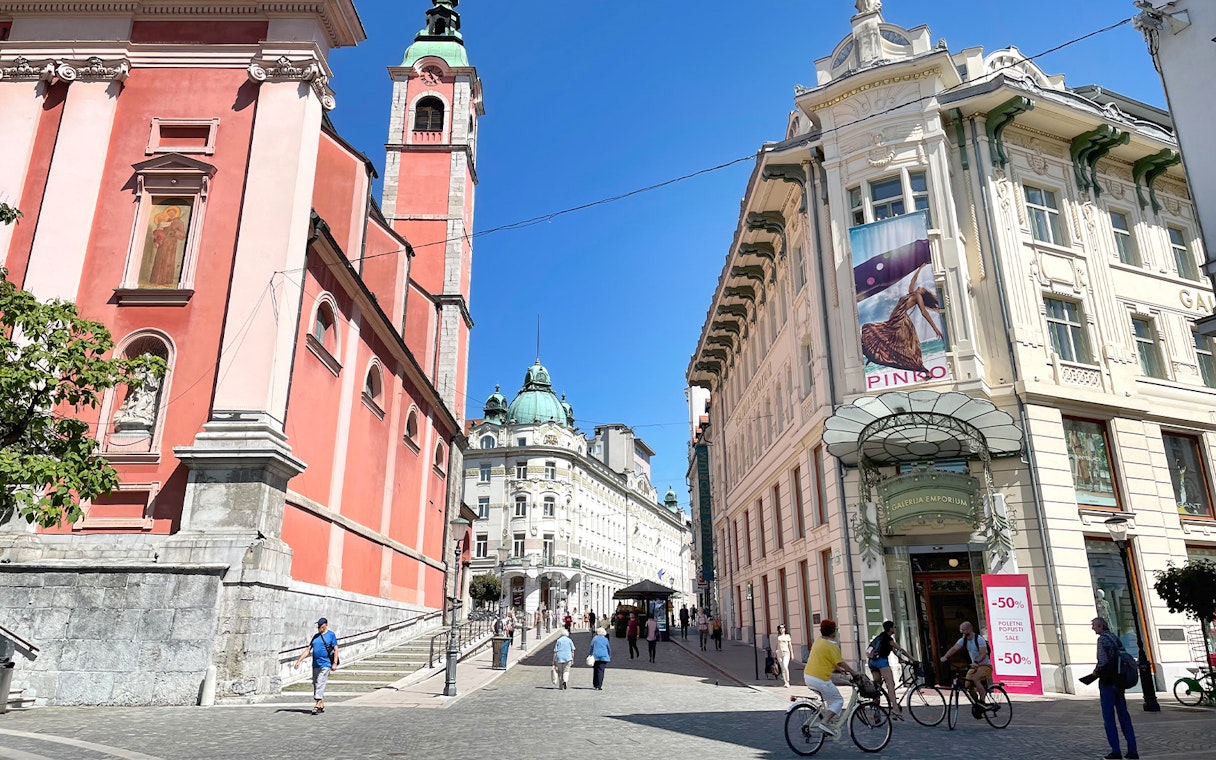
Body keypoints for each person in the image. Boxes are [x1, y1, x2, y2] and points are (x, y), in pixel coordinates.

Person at [1091, 617, 1138, 759]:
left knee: (1109, 717)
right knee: (1124, 716)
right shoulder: (1114, 637)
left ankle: (1116, 750)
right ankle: (1132, 750)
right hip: (1119, 681)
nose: (1092, 628)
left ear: (1100, 626)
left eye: (1093, 625)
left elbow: (1102, 661)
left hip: (1107, 681)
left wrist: (1094, 673)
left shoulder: (1102, 640)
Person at [803, 619, 856, 736]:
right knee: (838, 700)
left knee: (831, 700)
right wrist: (853, 672)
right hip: (819, 678)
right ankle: (825, 722)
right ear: (833, 632)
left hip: (808, 676)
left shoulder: (819, 641)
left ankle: (828, 722)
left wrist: (840, 670)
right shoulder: (832, 645)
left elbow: (829, 661)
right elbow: (840, 662)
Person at [939, 621, 991, 707]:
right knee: (967, 685)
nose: (961, 632)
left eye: (963, 630)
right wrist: (945, 656)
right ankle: (977, 703)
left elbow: (983, 653)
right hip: (974, 666)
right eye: (960, 630)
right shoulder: (963, 640)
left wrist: (976, 661)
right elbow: (954, 649)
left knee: (975, 678)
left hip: (985, 666)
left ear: (969, 629)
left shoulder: (979, 639)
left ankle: (982, 699)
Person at [293, 617, 339, 715]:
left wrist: (334, 663)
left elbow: (336, 649)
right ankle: (321, 704)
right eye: (318, 625)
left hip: (326, 664)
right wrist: (299, 661)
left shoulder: (331, 635)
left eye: (321, 625)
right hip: (315, 664)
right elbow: (308, 650)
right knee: (315, 683)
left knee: (320, 682)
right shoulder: (315, 636)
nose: (319, 627)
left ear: (326, 625)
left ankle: (317, 704)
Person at [867, 620, 904, 718]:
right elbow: (900, 650)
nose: (896, 628)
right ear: (891, 628)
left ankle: (876, 711)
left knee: (877, 686)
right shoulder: (888, 639)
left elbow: (894, 651)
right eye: (894, 627)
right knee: (890, 684)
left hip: (872, 662)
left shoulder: (880, 637)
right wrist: (913, 659)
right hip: (881, 662)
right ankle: (895, 709)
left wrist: (901, 659)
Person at [774, 623, 794, 688]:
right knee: (782, 668)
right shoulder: (778, 637)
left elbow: (790, 645)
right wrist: (775, 652)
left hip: (786, 652)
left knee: (785, 666)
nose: (781, 629)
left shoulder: (787, 636)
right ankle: (785, 682)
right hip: (779, 653)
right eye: (780, 628)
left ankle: (788, 681)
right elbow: (776, 645)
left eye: (783, 628)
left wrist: (792, 654)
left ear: (785, 629)